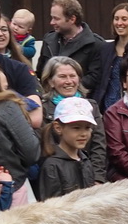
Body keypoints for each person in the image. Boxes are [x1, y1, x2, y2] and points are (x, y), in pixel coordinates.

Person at [39, 55, 107, 183]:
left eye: (72, 76)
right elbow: (47, 147)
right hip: (59, 177)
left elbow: (99, 144)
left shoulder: (91, 106)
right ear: (50, 81)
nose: (69, 81)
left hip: (89, 175)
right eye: (62, 77)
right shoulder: (43, 109)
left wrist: (97, 179)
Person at [39, 0, 107, 98]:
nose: (52, 22)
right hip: (49, 104)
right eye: (52, 17)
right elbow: (41, 71)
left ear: (72, 19)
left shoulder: (96, 45)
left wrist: (66, 87)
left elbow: (94, 78)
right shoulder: (48, 40)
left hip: (81, 104)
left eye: (56, 18)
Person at [39, 96, 98, 200]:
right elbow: (50, 207)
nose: (83, 133)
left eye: (87, 128)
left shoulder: (85, 160)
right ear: (58, 128)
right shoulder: (52, 166)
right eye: (76, 128)